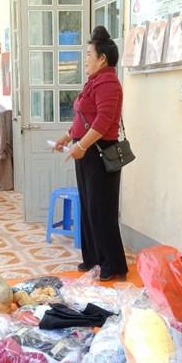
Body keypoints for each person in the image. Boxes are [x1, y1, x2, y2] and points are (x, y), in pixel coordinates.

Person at [54, 25, 128, 282]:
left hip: (99, 153)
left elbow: (103, 122)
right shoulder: (95, 81)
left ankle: (111, 265)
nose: (85, 59)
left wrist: (82, 145)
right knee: (88, 207)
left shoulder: (108, 83)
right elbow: (84, 117)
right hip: (87, 152)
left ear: (102, 59)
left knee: (101, 209)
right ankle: (94, 259)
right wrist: (68, 136)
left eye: (88, 54)